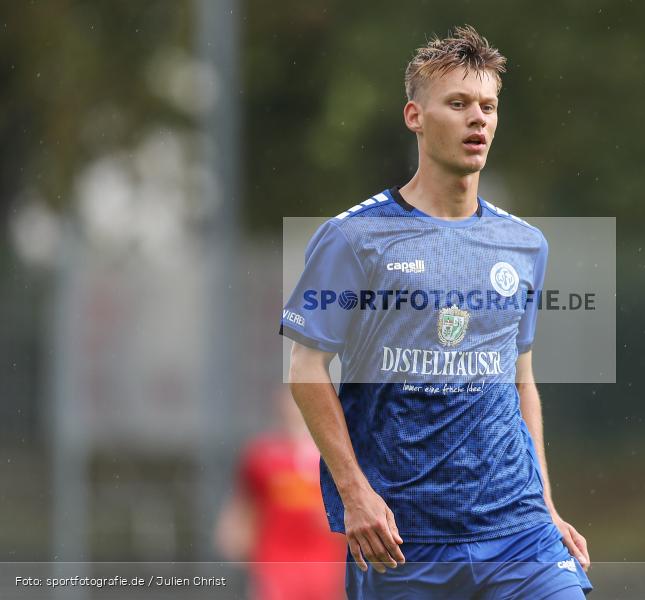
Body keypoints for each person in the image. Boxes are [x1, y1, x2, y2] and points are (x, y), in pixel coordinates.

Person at [281, 24, 593, 598]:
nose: (478, 118)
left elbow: (520, 379)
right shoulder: (355, 239)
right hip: (405, 540)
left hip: (519, 533)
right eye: (458, 103)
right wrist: (354, 494)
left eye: (488, 106)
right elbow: (305, 368)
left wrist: (545, 503)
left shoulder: (524, 245)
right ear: (415, 116)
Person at [215, 386, 346, 600]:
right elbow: (242, 509)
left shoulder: (340, 457)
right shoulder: (261, 456)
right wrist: (233, 536)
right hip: (276, 567)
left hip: (327, 570)